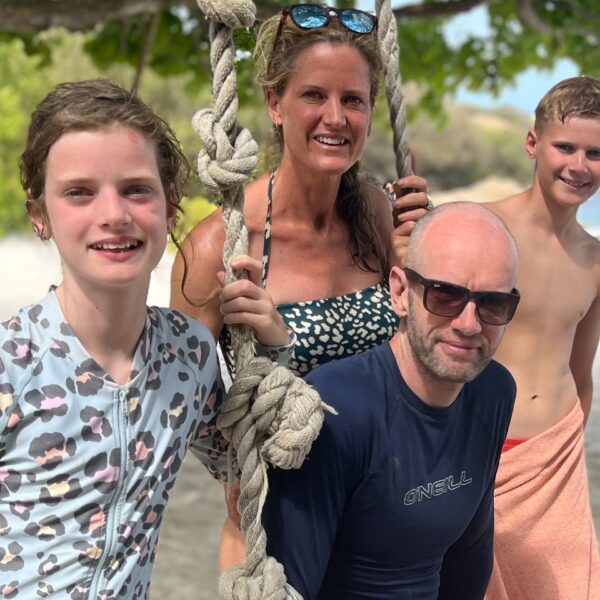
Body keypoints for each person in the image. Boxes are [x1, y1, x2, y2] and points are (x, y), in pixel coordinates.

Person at [170, 4, 428, 566]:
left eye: (353, 100)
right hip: (282, 534)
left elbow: (421, 368)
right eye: (314, 95)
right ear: (274, 104)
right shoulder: (220, 246)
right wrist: (242, 472)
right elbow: (183, 410)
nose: (335, 117)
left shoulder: (379, 217)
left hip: (386, 521)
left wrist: (430, 267)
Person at [0, 79, 228, 599]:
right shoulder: (12, 362)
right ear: (41, 217)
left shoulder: (189, 355)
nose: (114, 214)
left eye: (136, 189)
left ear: (171, 208)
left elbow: (246, 466)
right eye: (79, 192)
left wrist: (274, 345)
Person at [262, 202, 520, 599]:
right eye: (445, 295)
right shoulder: (335, 410)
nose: (469, 324)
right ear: (400, 292)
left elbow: (470, 551)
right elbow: (291, 585)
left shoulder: (494, 391)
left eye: (493, 304)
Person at [482, 76, 600, 599]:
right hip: (483, 456)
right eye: (566, 147)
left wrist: (567, 443)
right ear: (533, 144)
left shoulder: (596, 260)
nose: (579, 166)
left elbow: (581, 371)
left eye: (595, 153)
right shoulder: (484, 229)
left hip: (556, 463)